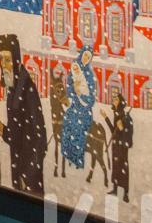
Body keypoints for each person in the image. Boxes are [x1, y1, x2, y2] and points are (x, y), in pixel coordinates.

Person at [0, 33, 46, 194]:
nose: (4, 65)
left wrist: (28, 175)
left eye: (7, 60)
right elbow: (17, 134)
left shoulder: (27, 88)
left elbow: (40, 138)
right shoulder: (12, 89)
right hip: (18, 171)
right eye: (1, 59)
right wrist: (4, 131)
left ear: (16, 60)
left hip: (29, 178)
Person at [59, 48, 97, 181]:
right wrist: (73, 91)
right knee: (67, 122)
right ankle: (68, 154)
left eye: (88, 57)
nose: (86, 58)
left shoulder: (90, 76)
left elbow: (92, 99)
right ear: (81, 55)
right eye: (85, 55)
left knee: (78, 128)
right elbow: (69, 88)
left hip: (85, 110)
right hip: (74, 105)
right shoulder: (75, 69)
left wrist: (81, 94)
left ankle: (77, 159)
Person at [105, 87, 135, 203]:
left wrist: (123, 128)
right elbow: (114, 131)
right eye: (114, 99)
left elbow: (128, 131)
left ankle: (126, 193)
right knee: (116, 167)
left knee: (123, 168)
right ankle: (115, 189)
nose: (114, 101)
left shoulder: (125, 116)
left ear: (120, 102)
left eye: (116, 99)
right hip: (115, 145)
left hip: (122, 146)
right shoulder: (116, 114)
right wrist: (106, 118)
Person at [48, 70, 69, 177]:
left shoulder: (60, 89)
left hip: (61, 117)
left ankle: (63, 169)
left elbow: (65, 100)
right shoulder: (53, 94)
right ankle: (56, 167)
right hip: (56, 117)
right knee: (57, 144)